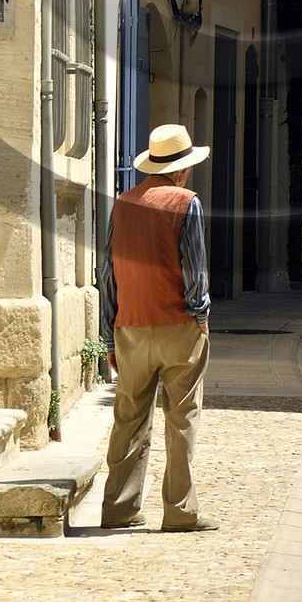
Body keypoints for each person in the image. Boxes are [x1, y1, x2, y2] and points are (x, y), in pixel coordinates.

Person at [98, 122, 212, 532]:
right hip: (178, 325)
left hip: (130, 326)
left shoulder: (122, 204)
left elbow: (108, 274)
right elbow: (194, 267)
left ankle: (119, 508)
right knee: (181, 418)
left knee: (129, 418)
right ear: (182, 170)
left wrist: (110, 334)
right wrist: (201, 315)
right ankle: (179, 512)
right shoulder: (187, 203)